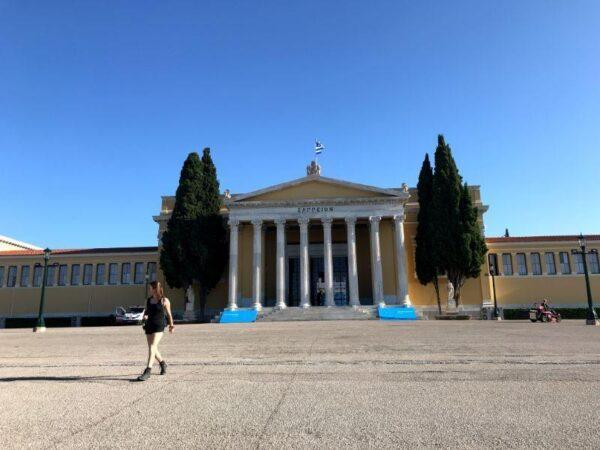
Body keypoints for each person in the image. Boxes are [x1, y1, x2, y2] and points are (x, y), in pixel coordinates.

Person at [137, 281, 174, 381]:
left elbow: (169, 314)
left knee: (153, 346)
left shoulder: (164, 300)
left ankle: (148, 370)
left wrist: (171, 325)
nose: (149, 289)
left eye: (150, 287)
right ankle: (163, 364)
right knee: (152, 348)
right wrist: (144, 317)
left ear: (154, 288)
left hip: (159, 326)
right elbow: (146, 311)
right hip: (149, 325)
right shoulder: (149, 300)